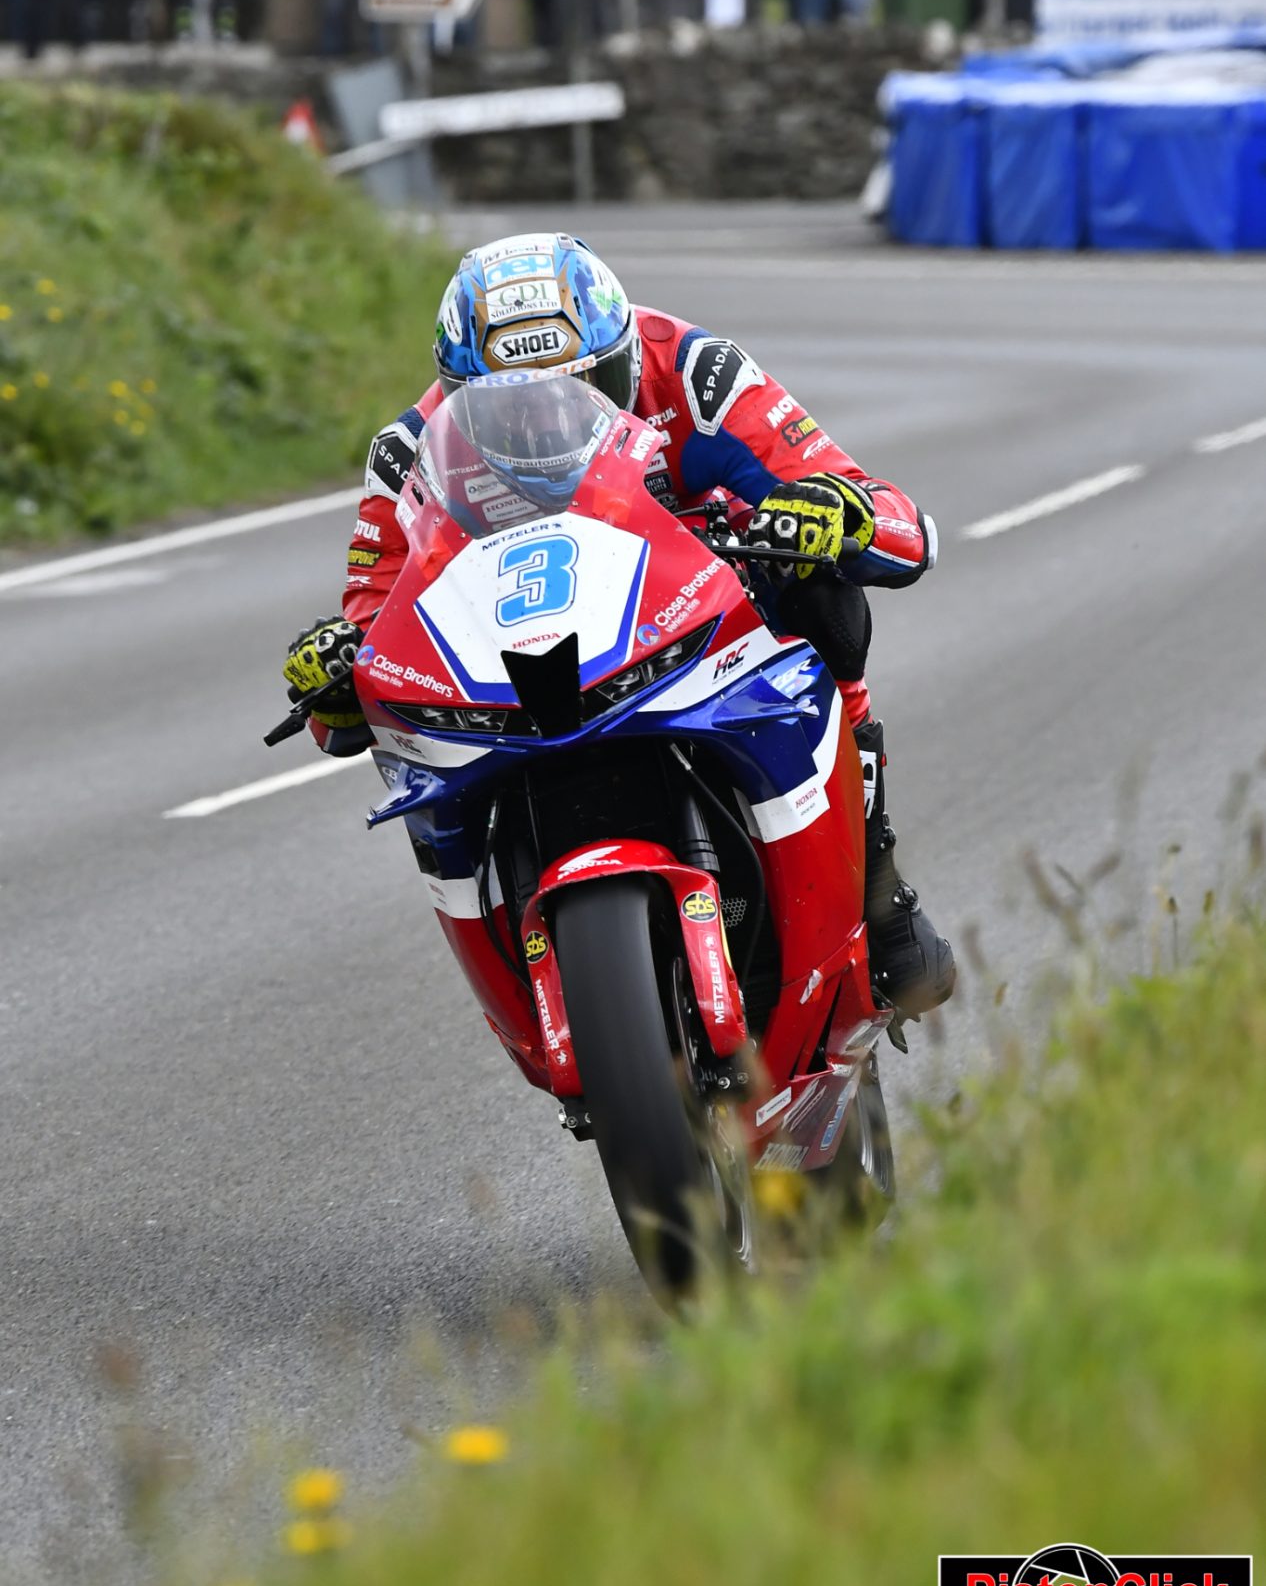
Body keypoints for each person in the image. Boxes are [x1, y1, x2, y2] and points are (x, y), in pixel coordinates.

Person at [281, 235, 956, 1023]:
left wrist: (839, 514)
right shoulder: (409, 452)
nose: (545, 427)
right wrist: (334, 676)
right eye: (508, 409)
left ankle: (876, 877)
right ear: (458, 394)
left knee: (819, 581)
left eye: (584, 387)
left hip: (695, 613)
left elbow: (878, 511)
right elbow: (375, 620)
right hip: (522, 664)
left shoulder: (700, 375)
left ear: (625, 355)